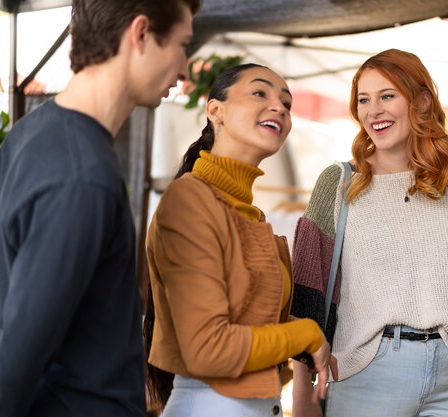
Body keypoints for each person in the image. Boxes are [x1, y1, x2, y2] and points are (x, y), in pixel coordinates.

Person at [290, 48, 448, 417]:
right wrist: (303, 386)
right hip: (367, 370)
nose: (373, 110)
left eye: (387, 96)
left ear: (422, 101)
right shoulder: (340, 182)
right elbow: (308, 286)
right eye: (364, 100)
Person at [0, 1, 200, 416]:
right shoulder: (81, 175)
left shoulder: (29, 135)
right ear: (139, 34)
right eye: (182, 45)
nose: (185, 70)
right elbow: (15, 359)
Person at [143, 63, 337, 417]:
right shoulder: (190, 200)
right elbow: (208, 347)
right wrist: (307, 334)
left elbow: (251, 325)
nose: (279, 107)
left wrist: (308, 337)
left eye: (287, 103)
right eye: (259, 93)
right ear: (215, 110)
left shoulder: (248, 212)